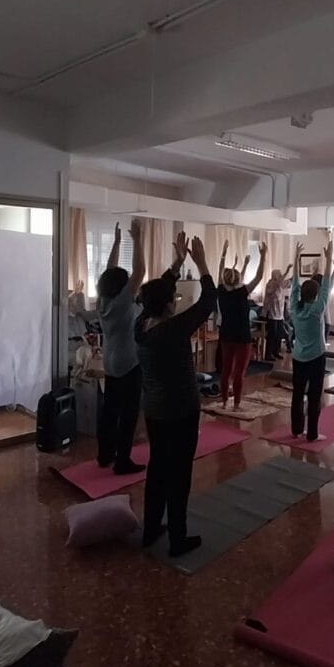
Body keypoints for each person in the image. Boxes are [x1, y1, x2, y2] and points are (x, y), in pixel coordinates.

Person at [135, 234, 216, 557]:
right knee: (179, 473)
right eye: (173, 297)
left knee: (157, 468)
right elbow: (208, 302)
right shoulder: (173, 329)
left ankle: (151, 529)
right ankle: (177, 539)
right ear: (169, 303)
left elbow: (153, 293)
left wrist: (177, 264)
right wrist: (200, 262)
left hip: (154, 410)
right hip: (180, 411)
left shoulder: (141, 326)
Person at [95, 219, 147, 474]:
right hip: (129, 363)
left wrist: (116, 242)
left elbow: (109, 270)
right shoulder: (122, 303)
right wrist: (137, 239)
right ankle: (123, 461)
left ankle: (105, 455)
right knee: (128, 413)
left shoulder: (103, 301)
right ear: (122, 287)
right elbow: (140, 272)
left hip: (110, 362)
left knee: (109, 409)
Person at [287, 240, 334, 441]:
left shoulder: (294, 309)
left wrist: (296, 258)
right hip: (315, 358)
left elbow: (295, 286)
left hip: (298, 357)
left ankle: (297, 430)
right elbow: (326, 285)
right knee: (314, 396)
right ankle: (312, 433)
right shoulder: (317, 310)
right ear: (316, 295)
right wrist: (329, 257)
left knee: (298, 393)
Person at [216, 240, 267, 410]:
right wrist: (263, 256)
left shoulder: (221, 292)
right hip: (242, 337)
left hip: (226, 336)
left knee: (226, 370)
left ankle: (224, 402)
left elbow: (219, 273)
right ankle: (236, 404)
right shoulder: (242, 292)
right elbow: (259, 277)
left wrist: (223, 253)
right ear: (238, 280)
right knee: (239, 372)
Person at [262, 261, 293, 361]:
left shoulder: (280, 284)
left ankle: (276, 352)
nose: (280, 276)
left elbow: (287, 283)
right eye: (278, 274)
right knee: (272, 335)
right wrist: (287, 271)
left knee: (279, 334)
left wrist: (294, 274)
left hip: (280, 315)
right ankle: (268, 354)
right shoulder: (270, 284)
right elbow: (278, 284)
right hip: (271, 315)